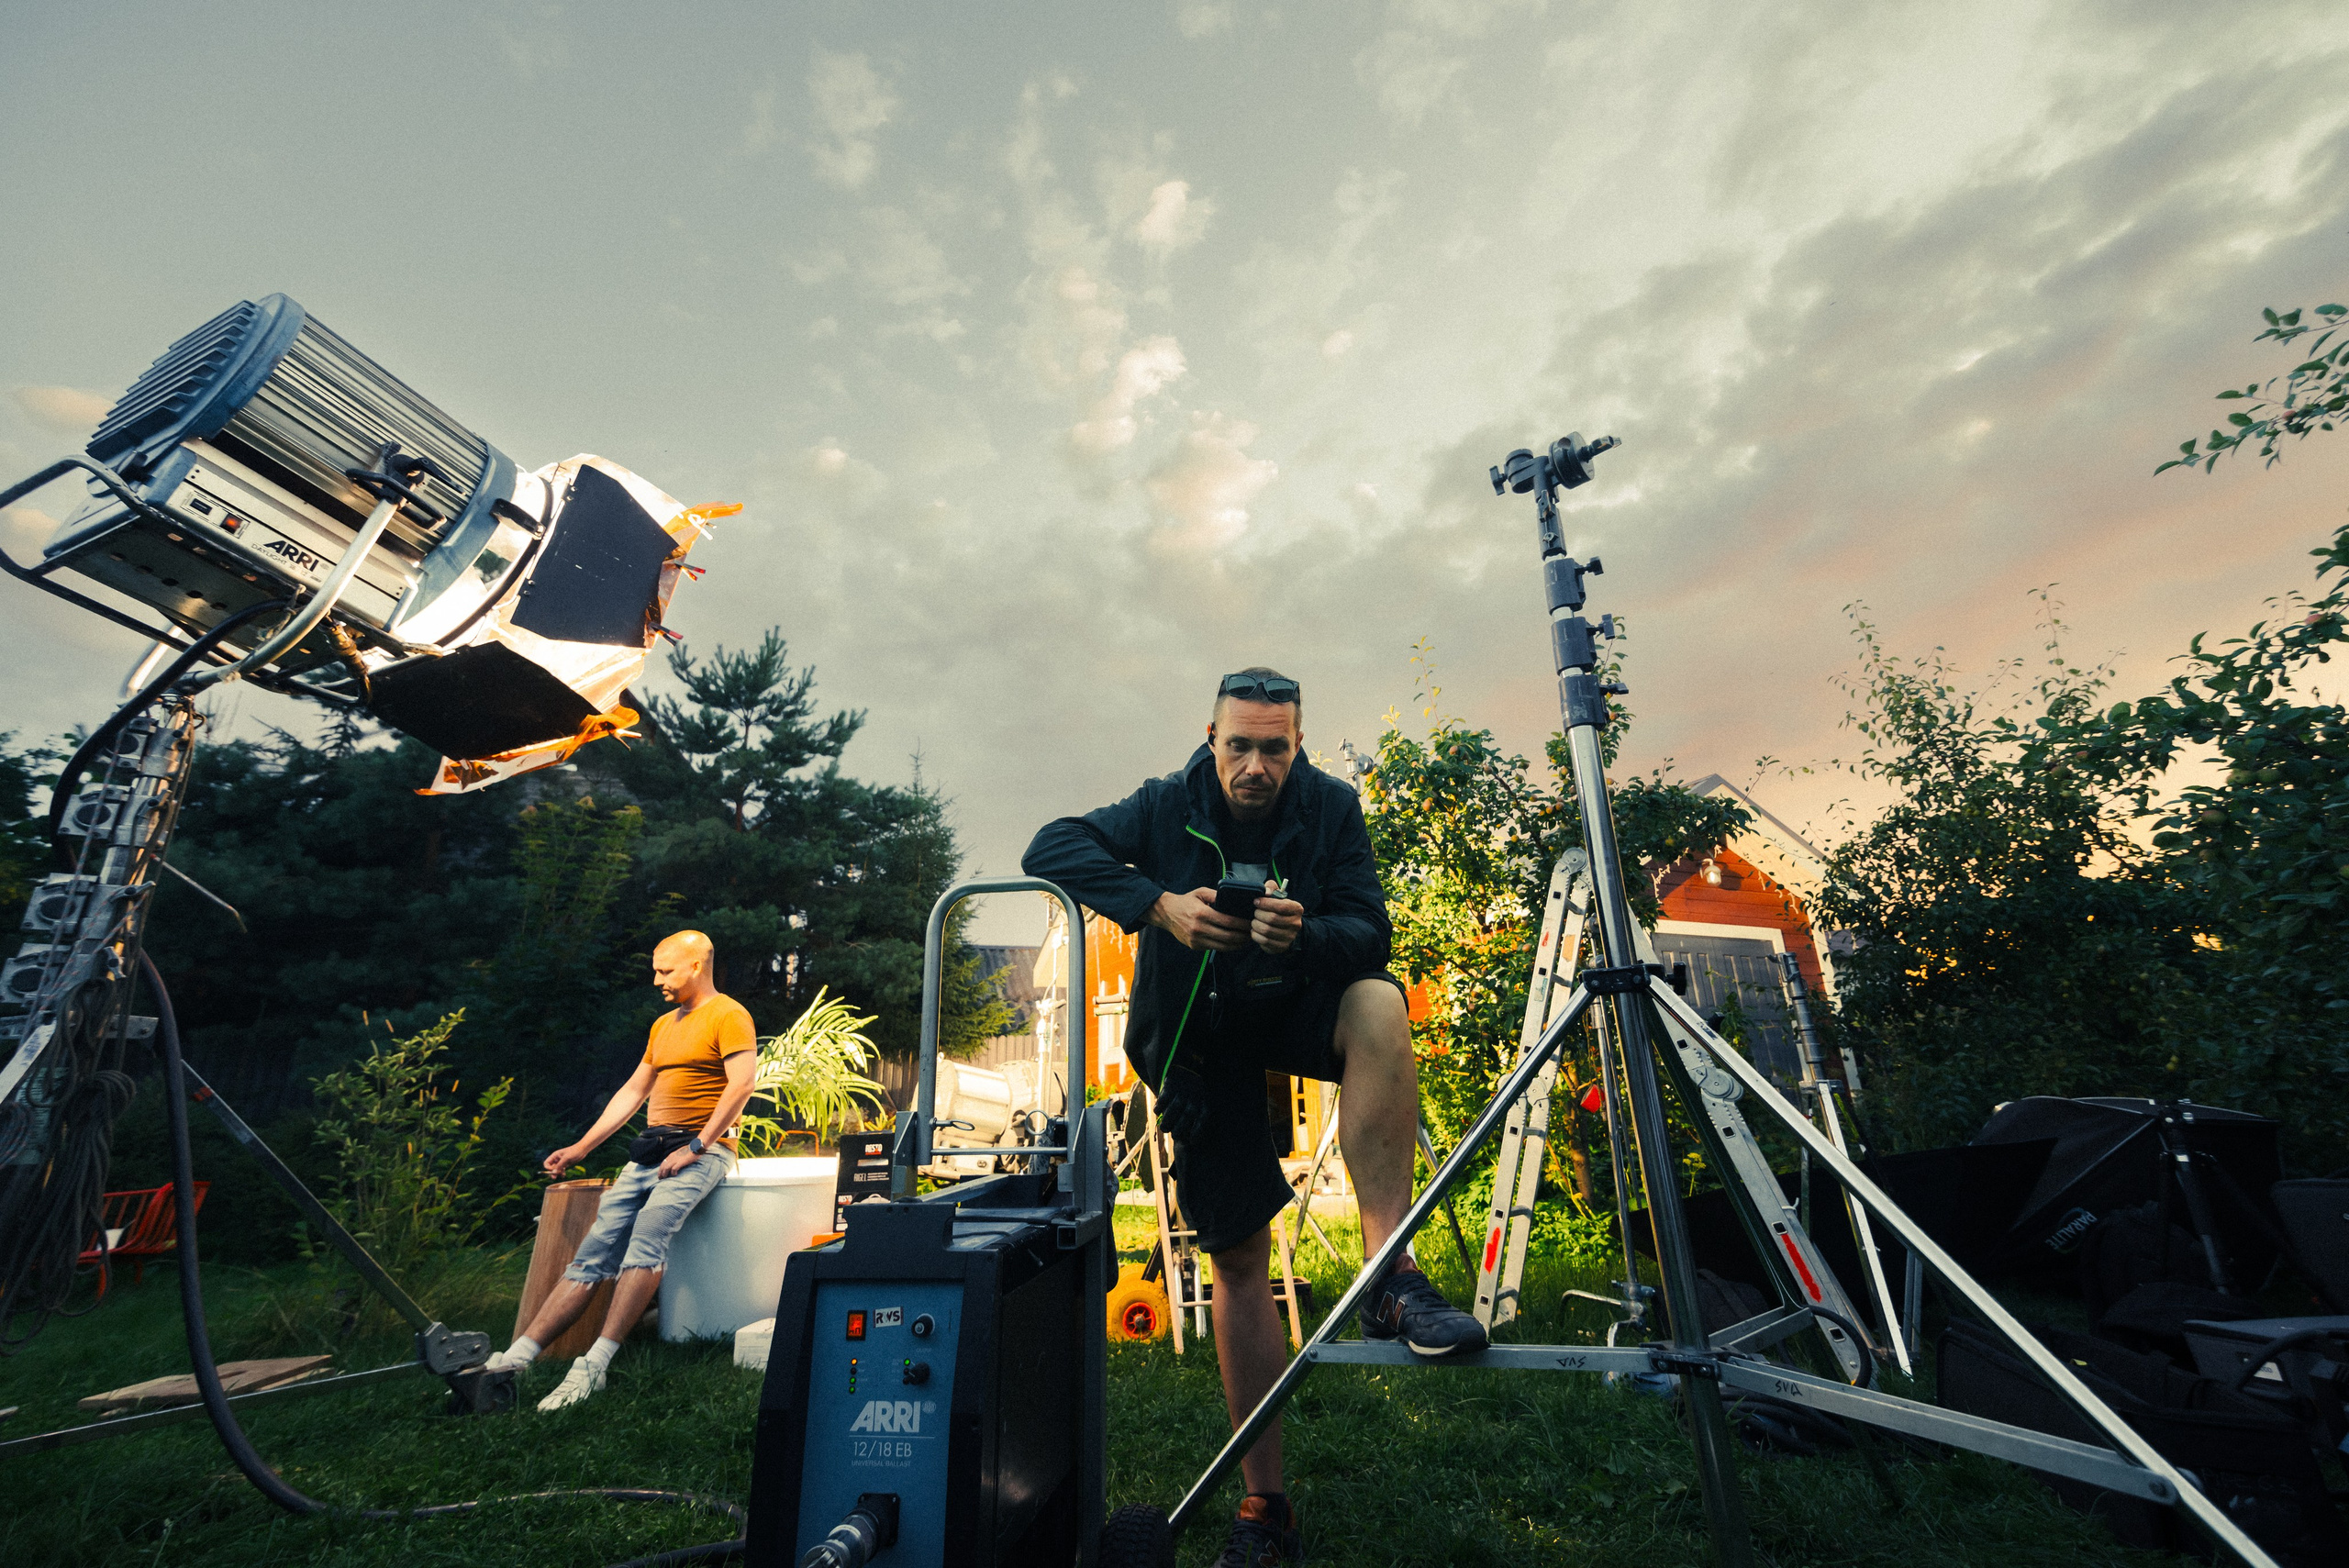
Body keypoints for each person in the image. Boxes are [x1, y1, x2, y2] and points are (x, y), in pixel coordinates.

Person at [1023, 668, 1486, 1568]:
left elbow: (1370, 932)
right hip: (1199, 1043)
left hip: (1295, 1006)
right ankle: (1263, 1502)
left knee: (1382, 1003)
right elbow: (1051, 845)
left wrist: (1302, 933)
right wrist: (1158, 904)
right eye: (1239, 744)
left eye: (1274, 747)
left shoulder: (1329, 807)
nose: (1255, 764)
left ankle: (1389, 1274)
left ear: (1297, 745)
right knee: (1237, 1257)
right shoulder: (1165, 804)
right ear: (1211, 737)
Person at [484, 929, 757, 1411]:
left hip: (701, 1151)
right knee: (594, 1252)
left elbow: (741, 1085)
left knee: (647, 1238)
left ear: (696, 966)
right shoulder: (664, 1026)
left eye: (665, 970)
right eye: (655, 970)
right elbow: (632, 1094)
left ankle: (594, 1365)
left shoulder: (730, 1015)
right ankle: (518, 1357)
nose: (656, 980)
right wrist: (580, 1147)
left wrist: (697, 1146)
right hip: (651, 1152)